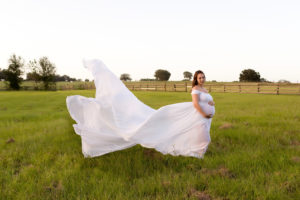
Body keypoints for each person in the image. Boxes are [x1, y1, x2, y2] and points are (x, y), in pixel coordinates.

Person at [66, 59, 215, 159]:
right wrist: (204, 113)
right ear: (196, 79)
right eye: (200, 77)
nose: (202, 79)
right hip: (201, 116)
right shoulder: (196, 89)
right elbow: (196, 104)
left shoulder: (203, 89)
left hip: (203, 117)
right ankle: (199, 150)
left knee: (199, 133)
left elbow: (206, 101)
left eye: (203, 77)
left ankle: (199, 148)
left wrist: (210, 106)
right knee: (200, 133)